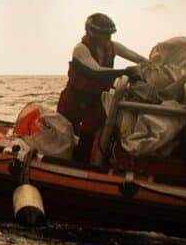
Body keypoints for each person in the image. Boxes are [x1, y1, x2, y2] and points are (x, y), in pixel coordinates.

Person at [57, 13, 148, 162]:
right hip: (73, 100)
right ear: (92, 32)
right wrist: (126, 72)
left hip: (96, 102)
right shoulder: (80, 49)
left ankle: (83, 166)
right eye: (104, 34)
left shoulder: (112, 47)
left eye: (110, 34)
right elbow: (95, 71)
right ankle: (61, 163)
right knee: (65, 135)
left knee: (89, 136)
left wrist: (153, 65)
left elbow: (136, 57)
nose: (108, 38)